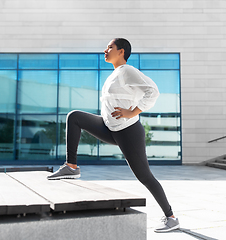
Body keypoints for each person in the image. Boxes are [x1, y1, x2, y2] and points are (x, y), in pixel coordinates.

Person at [47, 38, 180, 233]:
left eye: (110, 47)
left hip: (128, 131)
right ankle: (71, 166)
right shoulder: (114, 75)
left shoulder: (127, 71)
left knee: (145, 177)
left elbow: (153, 91)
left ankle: (171, 218)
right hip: (109, 127)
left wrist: (133, 112)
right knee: (74, 117)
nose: (105, 50)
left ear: (121, 51)